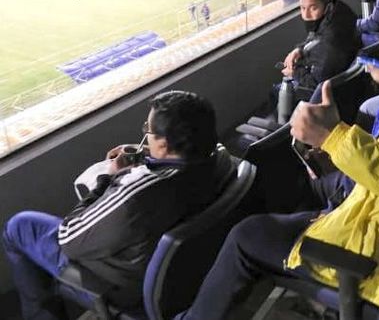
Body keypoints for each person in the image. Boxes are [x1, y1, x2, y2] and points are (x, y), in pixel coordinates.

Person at [174, 0, 379, 320]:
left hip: (376, 255)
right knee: (279, 187)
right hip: (374, 211)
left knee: (244, 236)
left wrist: (333, 137)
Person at [3, 91, 234, 320]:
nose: (145, 134)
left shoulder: (136, 194)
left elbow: (69, 239)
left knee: (19, 226)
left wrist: (110, 178)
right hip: (185, 273)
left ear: (163, 144)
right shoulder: (223, 159)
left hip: (128, 289)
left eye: (148, 131)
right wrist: (146, 152)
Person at [281, 0, 360, 92]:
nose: (306, 15)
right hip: (341, 78)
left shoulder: (331, 40)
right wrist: (299, 49)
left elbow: (318, 83)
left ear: (326, 7)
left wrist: (294, 73)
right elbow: (315, 37)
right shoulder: (336, 16)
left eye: (313, 8)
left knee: (278, 93)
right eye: (303, 8)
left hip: (328, 94)